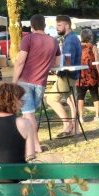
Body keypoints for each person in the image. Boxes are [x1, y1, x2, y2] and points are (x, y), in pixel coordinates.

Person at [12, 13, 61, 154]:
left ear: (32, 26)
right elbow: (57, 63)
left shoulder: (28, 39)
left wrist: (14, 82)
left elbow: (20, 61)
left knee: (28, 115)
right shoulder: (53, 41)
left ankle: (35, 146)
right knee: (28, 115)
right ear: (44, 25)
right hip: (41, 82)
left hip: (25, 81)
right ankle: (26, 143)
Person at [47, 15, 82, 138]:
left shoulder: (70, 39)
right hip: (73, 75)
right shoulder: (73, 38)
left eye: (59, 25)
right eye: (57, 25)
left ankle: (67, 125)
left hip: (67, 75)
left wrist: (56, 67)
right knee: (71, 102)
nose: (57, 28)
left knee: (51, 99)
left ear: (67, 25)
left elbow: (68, 60)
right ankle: (75, 129)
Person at [77, 28, 99, 123]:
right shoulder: (93, 47)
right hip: (92, 74)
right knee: (95, 95)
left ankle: (80, 117)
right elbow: (96, 63)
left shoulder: (78, 47)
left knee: (80, 96)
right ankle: (96, 115)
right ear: (90, 36)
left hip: (81, 74)